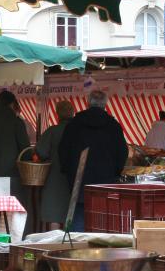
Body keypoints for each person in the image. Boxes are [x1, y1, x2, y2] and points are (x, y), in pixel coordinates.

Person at [58, 90, 128, 230]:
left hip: (79, 182)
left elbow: (63, 150)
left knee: (78, 220)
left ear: (88, 103)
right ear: (105, 104)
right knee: (103, 221)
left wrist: (68, 172)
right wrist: (115, 172)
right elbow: (122, 153)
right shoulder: (113, 125)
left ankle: (76, 244)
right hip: (105, 181)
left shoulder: (74, 124)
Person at [35, 101, 76, 229]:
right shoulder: (79, 130)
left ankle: (55, 241)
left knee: (55, 213)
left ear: (57, 113)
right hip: (75, 177)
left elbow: (41, 152)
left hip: (55, 177)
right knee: (74, 213)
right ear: (73, 113)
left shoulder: (52, 131)